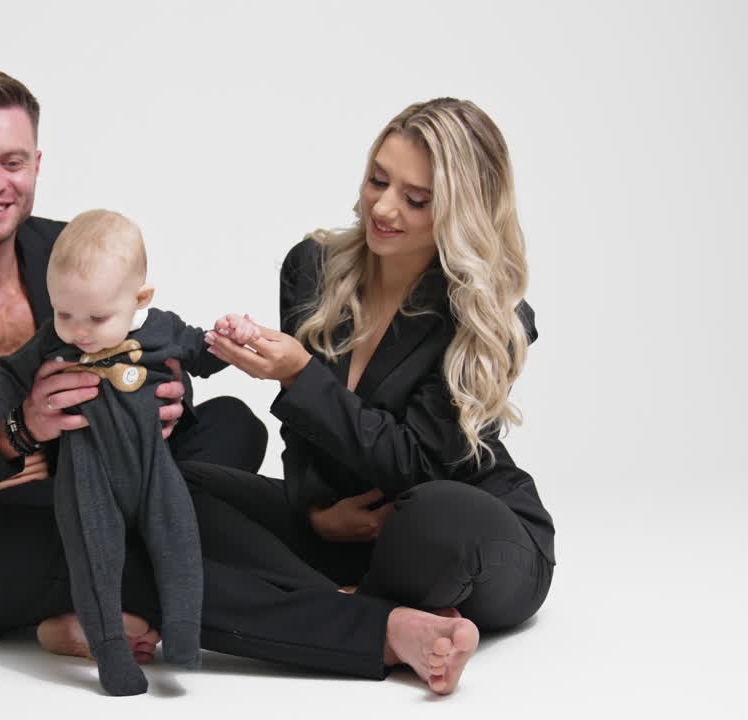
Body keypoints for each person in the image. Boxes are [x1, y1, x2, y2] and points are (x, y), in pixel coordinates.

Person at [0, 69, 489, 697]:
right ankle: (376, 628)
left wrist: (168, 393)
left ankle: (77, 612)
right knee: (135, 548)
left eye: (11, 162)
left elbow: (145, 346)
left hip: (85, 475)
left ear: (36, 163)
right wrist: (18, 431)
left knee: (217, 440)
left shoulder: (65, 249)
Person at [199, 97, 555, 695]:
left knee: (435, 514)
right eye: (377, 180)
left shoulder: (489, 318)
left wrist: (300, 375)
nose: (383, 208)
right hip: (345, 529)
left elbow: (417, 466)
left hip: (455, 528)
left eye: (416, 199)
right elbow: (302, 434)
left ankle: (331, 605)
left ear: (461, 211)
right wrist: (314, 510)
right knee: (175, 485)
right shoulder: (313, 267)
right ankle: (365, 612)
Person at [0, 209, 223, 695]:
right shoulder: (53, 340)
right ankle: (109, 650)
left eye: (97, 318)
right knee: (93, 558)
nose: (79, 331)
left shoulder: (162, 328)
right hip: (88, 473)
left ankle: (184, 634)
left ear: (140, 299)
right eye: (64, 314)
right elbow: (8, 374)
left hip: (153, 467)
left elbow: (203, 354)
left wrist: (231, 340)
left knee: (179, 537)